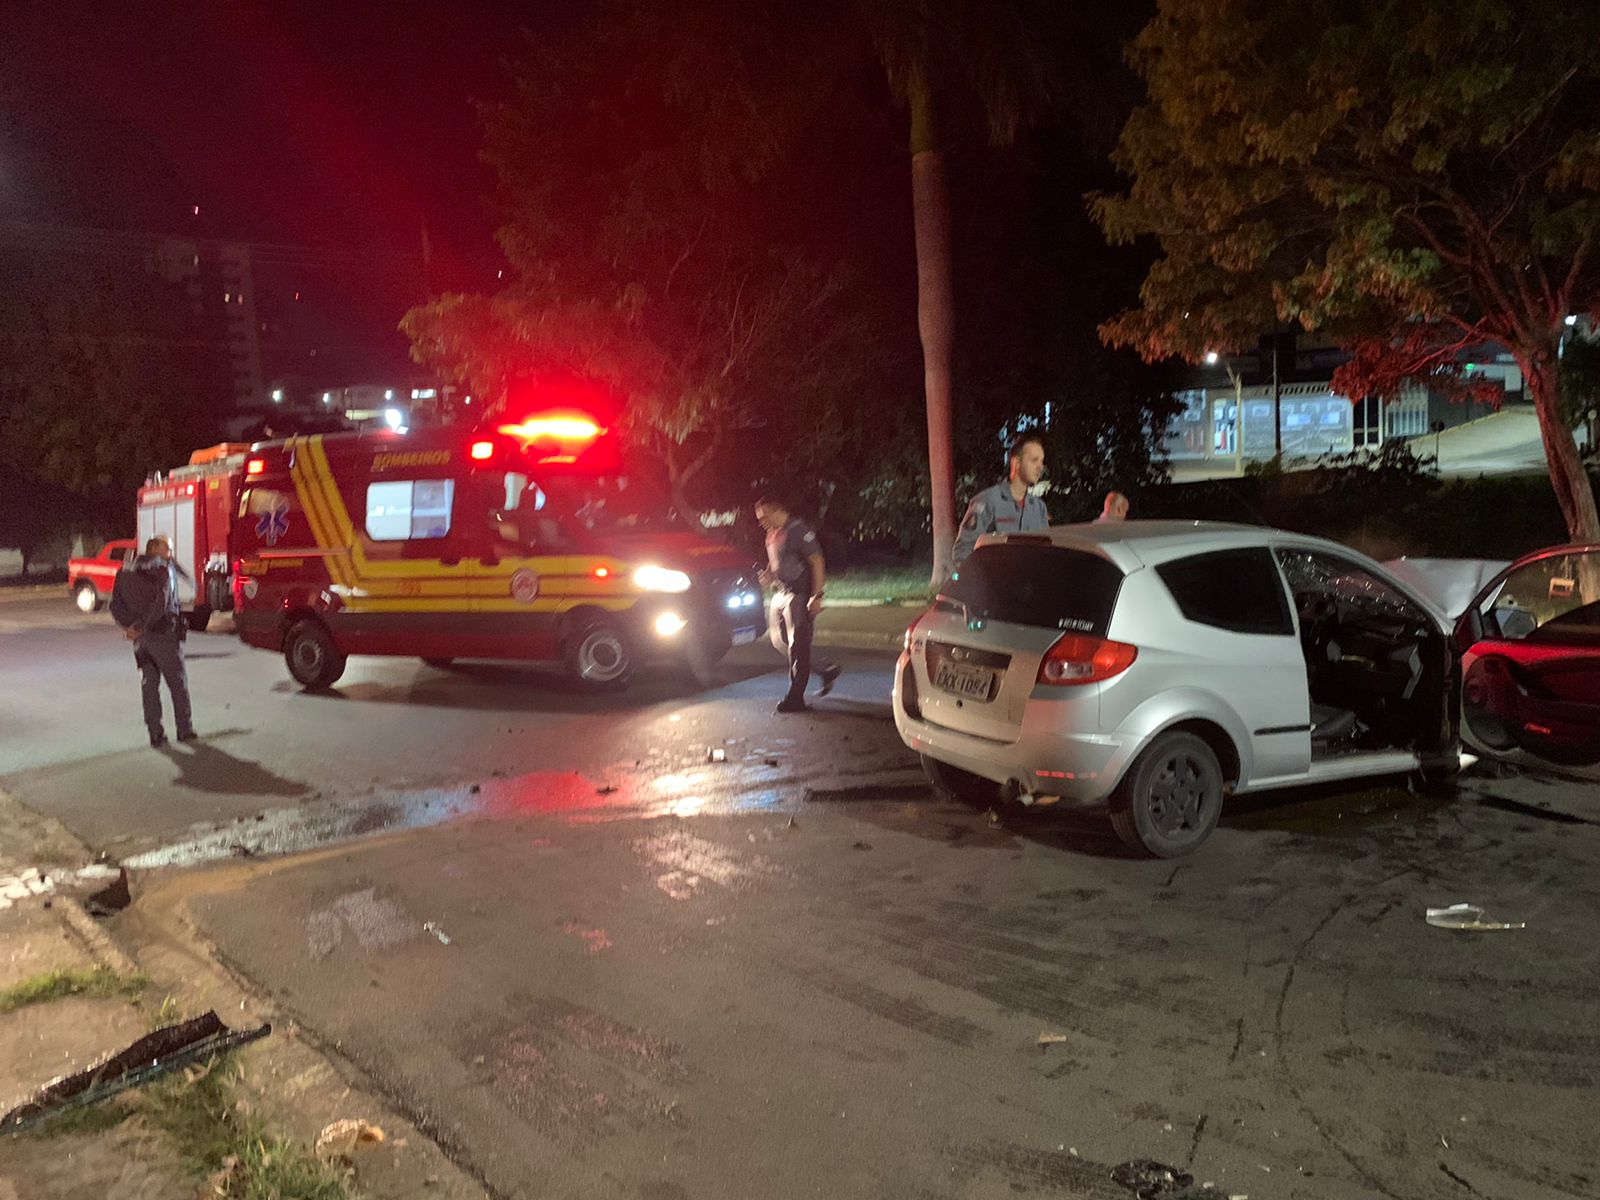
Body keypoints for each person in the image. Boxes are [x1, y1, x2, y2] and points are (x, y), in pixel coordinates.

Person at [755, 497, 840, 714]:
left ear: (777, 511)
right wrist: (768, 574)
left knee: (798, 646)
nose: (761, 522)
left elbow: (817, 561)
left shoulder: (798, 530)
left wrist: (817, 596)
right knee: (780, 641)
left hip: (799, 594)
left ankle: (795, 698)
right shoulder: (772, 534)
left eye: (764, 516)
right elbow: (775, 560)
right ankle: (825, 670)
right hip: (780, 594)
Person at [113, 536, 195, 748]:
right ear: (156, 550)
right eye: (168, 548)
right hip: (162, 635)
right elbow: (161, 605)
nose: (170, 553)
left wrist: (130, 627)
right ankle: (184, 731)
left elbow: (115, 605)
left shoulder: (124, 572)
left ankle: (155, 734)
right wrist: (143, 626)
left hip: (140, 641)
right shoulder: (163, 571)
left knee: (149, 685)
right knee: (177, 684)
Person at [951, 434, 1050, 568]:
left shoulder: (1039, 508)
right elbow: (962, 551)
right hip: (997, 586)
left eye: (1041, 461)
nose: (1040, 467)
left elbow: (1047, 552)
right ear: (1016, 463)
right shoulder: (988, 501)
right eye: (1034, 460)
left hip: (1029, 587)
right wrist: (987, 578)